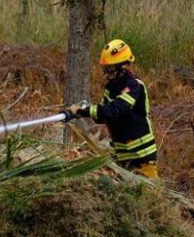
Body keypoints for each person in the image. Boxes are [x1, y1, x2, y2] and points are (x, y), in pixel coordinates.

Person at [66, 39, 158, 179]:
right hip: (123, 156)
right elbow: (102, 116)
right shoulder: (111, 88)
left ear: (123, 65)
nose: (107, 71)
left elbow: (114, 110)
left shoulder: (133, 86)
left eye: (110, 67)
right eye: (106, 68)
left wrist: (82, 111)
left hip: (141, 157)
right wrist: (78, 113)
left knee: (151, 197)